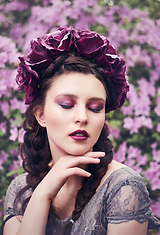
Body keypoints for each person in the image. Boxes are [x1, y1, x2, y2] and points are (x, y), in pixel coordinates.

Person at [3, 26, 160, 235]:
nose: (83, 117)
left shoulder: (123, 187)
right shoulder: (21, 190)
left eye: (95, 108)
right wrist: (42, 195)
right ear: (40, 115)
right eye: (67, 105)